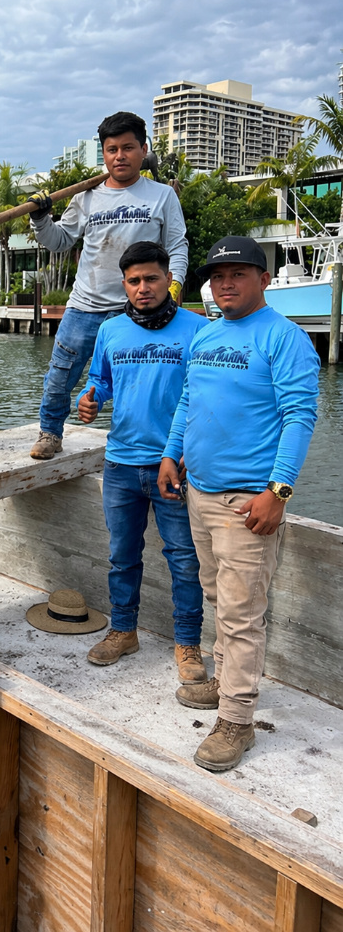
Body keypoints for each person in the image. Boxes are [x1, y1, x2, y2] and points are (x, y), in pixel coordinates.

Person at [158, 236, 320, 772]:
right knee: (217, 598)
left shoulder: (285, 338)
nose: (225, 283)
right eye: (217, 276)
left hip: (247, 502)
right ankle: (228, 683)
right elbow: (188, 399)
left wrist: (278, 492)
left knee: (242, 615)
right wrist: (171, 454)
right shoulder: (207, 333)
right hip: (200, 492)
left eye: (238, 274)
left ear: (263, 279)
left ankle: (237, 720)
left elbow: (300, 417)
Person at [76, 242, 208, 682]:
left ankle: (187, 643)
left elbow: (206, 397)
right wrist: (91, 400)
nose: (143, 287)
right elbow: (101, 381)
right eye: (134, 281)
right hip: (120, 464)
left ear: (168, 279)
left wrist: (187, 451)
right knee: (122, 557)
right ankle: (123, 630)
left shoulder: (198, 329)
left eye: (151, 278)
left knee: (184, 560)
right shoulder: (111, 329)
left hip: (175, 467)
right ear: (124, 284)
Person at [27, 111, 188, 460]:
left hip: (137, 310)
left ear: (143, 150)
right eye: (112, 149)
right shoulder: (86, 196)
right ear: (104, 153)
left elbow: (177, 247)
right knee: (59, 375)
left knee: (143, 383)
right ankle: (50, 432)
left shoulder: (162, 196)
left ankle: (152, 446)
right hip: (84, 306)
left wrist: (173, 288)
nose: (120, 156)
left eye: (128, 148)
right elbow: (59, 240)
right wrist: (40, 219)